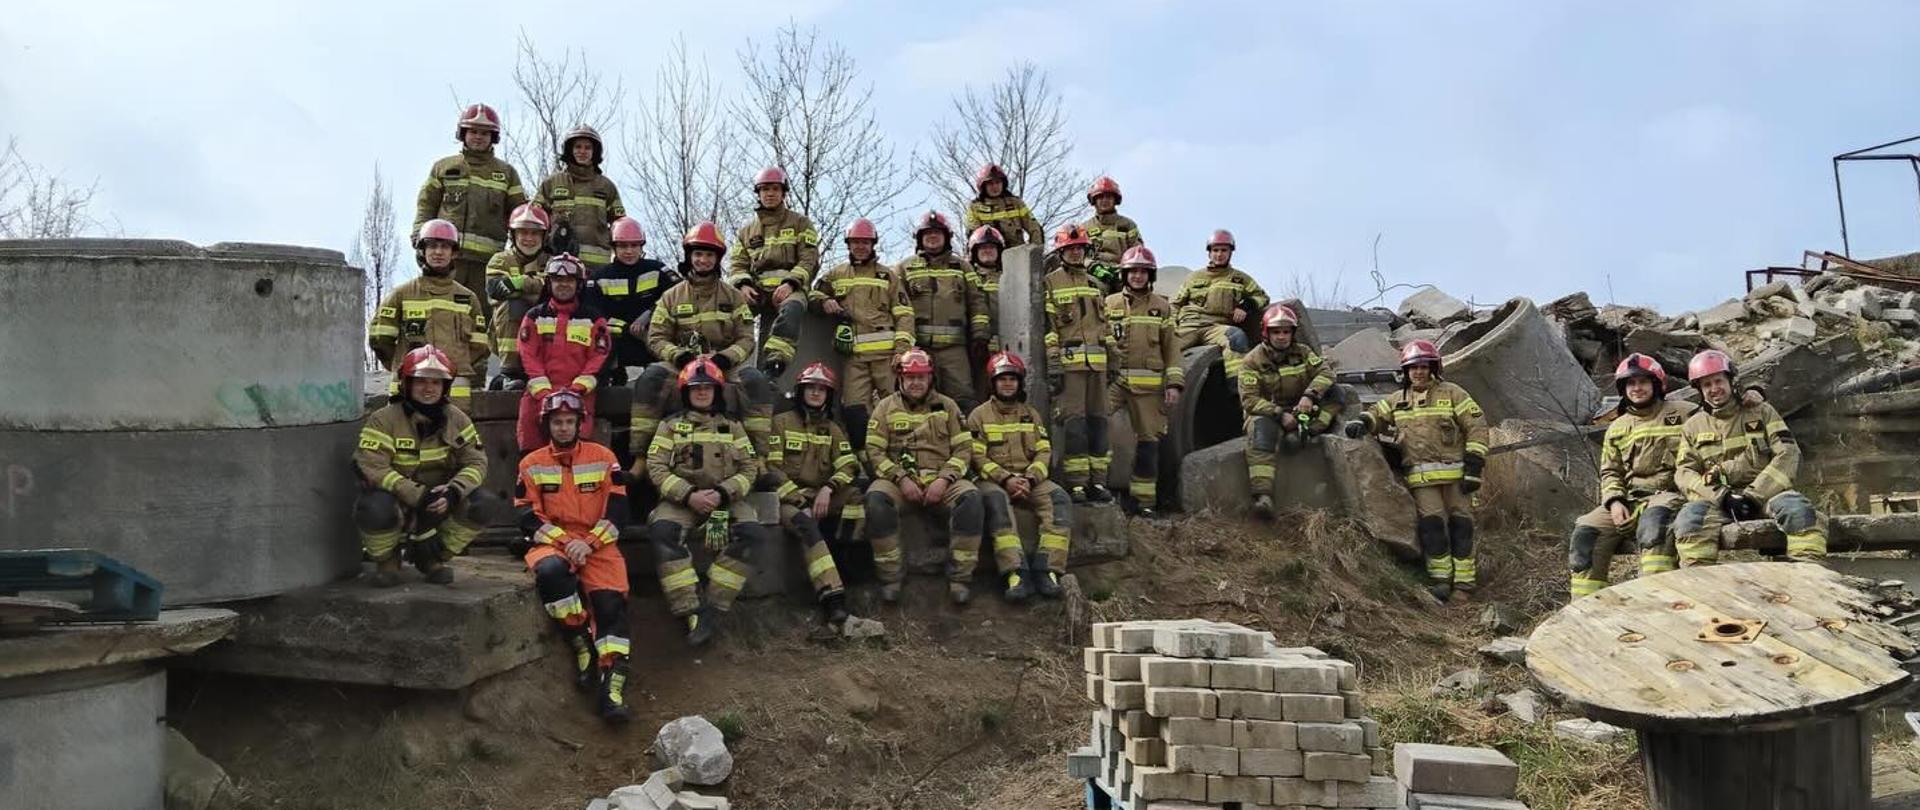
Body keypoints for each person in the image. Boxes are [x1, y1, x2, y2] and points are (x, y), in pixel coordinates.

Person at [515, 391, 632, 721]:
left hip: (599, 542)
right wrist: (567, 543)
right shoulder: (531, 464)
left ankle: (613, 688)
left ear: (581, 423)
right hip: (554, 541)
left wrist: (591, 543)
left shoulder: (604, 457)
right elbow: (526, 517)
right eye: (557, 422)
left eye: (569, 421)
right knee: (551, 572)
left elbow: (620, 510)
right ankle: (580, 641)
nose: (564, 428)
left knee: (611, 606)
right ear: (547, 424)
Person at [1344, 340, 1488, 603]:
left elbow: (1477, 427)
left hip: (1457, 478)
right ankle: (1441, 581)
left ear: (1433, 368)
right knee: (1433, 528)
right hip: (1422, 481)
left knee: (1462, 526)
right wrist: (1362, 422)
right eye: (1413, 368)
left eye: (1423, 367)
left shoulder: (1453, 393)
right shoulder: (1398, 400)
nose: (1419, 372)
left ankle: (1465, 585)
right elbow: (1377, 414)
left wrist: (1474, 468)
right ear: (1406, 372)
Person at [643, 357, 770, 646]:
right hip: (681, 500)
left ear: (717, 391)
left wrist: (723, 493)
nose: (702, 392)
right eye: (696, 387)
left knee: (752, 534)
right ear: (686, 391)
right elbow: (657, 468)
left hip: (726, 498)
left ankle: (711, 607)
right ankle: (690, 609)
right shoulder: (669, 427)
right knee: (663, 532)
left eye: (708, 387)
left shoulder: (733, 427)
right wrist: (689, 495)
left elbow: (749, 468)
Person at [353, 345, 493, 587]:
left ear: (445, 387)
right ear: (407, 384)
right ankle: (388, 561)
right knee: (373, 507)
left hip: (440, 500)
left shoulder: (457, 419)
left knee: (483, 504)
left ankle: (432, 558)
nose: (429, 389)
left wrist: (453, 492)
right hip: (398, 499)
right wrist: (417, 496)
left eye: (436, 383)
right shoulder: (384, 419)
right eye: (421, 382)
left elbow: (476, 461)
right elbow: (372, 466)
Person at [632, 222, 774, 461]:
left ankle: (759, 460)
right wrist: (679, 356)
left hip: (723, 364)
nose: (703, 260)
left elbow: (747, 336)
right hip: (682, 363)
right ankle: (639, 459)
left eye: (709, 255)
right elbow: (656, 337)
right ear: (689, 256)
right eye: (698, 254)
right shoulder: (671, 297)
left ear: (717, 260)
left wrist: (723, 358)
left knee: (756, 381)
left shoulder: (734, 297)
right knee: (651, 378)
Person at [1672, 350, 1826, 567]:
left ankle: (1810, 575)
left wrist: (1754, 496)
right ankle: (1700, 584)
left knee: (1799, 511)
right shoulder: (1692, 426)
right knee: (1690, 521)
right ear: (1699, 390)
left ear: (1731, 381)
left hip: (1766, 495)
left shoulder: (1762, 411)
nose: (1714, 389)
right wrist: (1722, 497)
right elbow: (1684, 473)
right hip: (1718, 501)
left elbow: (1788, 454)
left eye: (1718, 381)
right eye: (1707, 385)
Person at [863, 348, 986, 605]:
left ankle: (959, 578)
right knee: (876, 499)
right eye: (911, 377)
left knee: (972, 499)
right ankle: (891, 577)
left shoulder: (948, 406)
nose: (916, 382)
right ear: (900, 378)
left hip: (943, 480)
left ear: (931, 378)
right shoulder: (884, 408)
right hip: (900, 481)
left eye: (922, 377)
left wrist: (944, 480)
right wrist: (900, 479)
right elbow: (874, 452)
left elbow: (964, 449)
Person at [967, 352, 1072, 603]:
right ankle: (1016, 573)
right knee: (997, 504)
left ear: (1020, 382)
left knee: (1059, 499)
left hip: (1030, 479)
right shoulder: (978, 416)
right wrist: (1005, 480)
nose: (1007, 383)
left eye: (1012, 379)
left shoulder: (1032, 414)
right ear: (992, 382)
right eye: (1002, 378)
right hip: (993, 482)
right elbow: (976, 457)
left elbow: (1044, 450)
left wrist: (1031, 479)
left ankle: (1047, 569)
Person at [761, 363, 858, 625]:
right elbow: (771, 469)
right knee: (805, 524)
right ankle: (833, 599)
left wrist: (829, 488)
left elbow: (849, 465)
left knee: (857, 501)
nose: (816, 393)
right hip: (786, 499)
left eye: (822, 389)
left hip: (821, 494)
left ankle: (847, 563)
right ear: (800, 391)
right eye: (811, 388)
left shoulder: (834, 430)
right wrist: (799, 498)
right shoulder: (780, 424)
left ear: (829, 395)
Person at [811, 217, 914, 450]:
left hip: (886, 358)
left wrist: (902, 352)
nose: (860, 246)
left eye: (865, 242)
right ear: (848, 244)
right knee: (855, 408)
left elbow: (904, 314)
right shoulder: (836, 275)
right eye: (855, 242)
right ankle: (864, 456)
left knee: (896, 406)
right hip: (854, 358)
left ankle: (902, 453)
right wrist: (825, 300)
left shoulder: (888, 277)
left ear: (873, 244)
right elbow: (813, 295)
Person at [415, 103, 528, 313]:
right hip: (447, 259)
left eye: (485, 133)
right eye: (473, 131)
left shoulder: (506, 173)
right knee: (441, 311)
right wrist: (419, 237)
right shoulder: (444, 167)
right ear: (463, 133)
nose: (478, 137)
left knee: (480, 316)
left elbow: (520, 216)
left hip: (488, 264)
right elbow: (427, 204)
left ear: (493, 137)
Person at [369, 219, 490, 408]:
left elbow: (480, 345)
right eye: (432, 246)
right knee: (403, 432)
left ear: (454, 253)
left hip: (454, 384)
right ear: (422, 251)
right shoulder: (401, 294)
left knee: (454, 434)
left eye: (445, 246)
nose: (438, 252)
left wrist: (454, 366)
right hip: (408, 380)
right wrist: (401, 365)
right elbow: (380, 338)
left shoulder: (468, 298)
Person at [1239, 304, 1341, 520]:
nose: (1282, 337)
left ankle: (1307, 433)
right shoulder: (1252, 361)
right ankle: (1263, 496)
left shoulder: (1303, 352)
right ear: (1267, 333)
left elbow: (1325, 373)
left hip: (1301, 406)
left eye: (1286, 332)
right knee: (1260, 432)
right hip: (1269, 413)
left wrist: (1310, 395)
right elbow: (1249, 400)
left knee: (1336, 394)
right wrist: (1279, 414)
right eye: (1276, 332)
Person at [1104, 245, 1183, 517]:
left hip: (1149, 388)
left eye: (1143, 272)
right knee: (1096, 427)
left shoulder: (1161, 307)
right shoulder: (1110, 303)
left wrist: (1174, 384)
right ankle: (1103, 490)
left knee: (1149, 442)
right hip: (1114, 382)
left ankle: (1145, 504)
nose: (1137, 276)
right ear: (1124, 274)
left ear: (1150, 275)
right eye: (1132, 271)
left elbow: (1172, 348)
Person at [1044, 225, 1116, 503]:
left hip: (1098, 367)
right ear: (1061, 252)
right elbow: (1049, 328)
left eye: (1079, 249)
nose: (1075, 253)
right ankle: (1076, 484)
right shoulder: (1050, 283)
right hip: (1070, 366)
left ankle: (1098, 482)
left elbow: (1105, 327)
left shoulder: (1095, 286)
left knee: (1099, 424)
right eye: (1070, 249)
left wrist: (1114, 362)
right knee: (1074, 425)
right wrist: (1053, 363)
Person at [514, 254, 612, 451]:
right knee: (531, 446)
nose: (563, 285)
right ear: (549, 283)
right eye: (558, 280)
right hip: (539, 395)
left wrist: (577, 389)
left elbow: (599, 356)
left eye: (569, 280)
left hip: (580, 393)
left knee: (578, 449)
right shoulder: (535, 316)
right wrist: (544, 393)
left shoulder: (594, 319)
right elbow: (527, 355)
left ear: (579, 284)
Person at [727, 166, 817, 376]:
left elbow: (809, 259)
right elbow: (738, 263)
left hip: (789, 288)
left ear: (783, 193)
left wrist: (791, 283)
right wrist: (743, 285)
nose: (770, 194)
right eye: (764, 189)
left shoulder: (801, 223)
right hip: (756, 290)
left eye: (775, 189)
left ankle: (774, 363)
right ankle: (722, 361)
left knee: (792, 309)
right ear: (758, 193)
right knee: (731, 314)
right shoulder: (747, 231)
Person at [898, 211, 990, 412]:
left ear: (947, 237)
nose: (932, 236)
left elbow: (977, 302)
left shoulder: (963, 267)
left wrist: (980, 336)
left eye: (938, 233)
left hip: (954, 350)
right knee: (918, 400)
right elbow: (894, 303)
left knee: (963, 399)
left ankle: (967, 442)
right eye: (928, 233)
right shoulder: (904, 268)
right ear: (920, 238)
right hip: (919, 349)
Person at [587, 217, 679, 387]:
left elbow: (679, 295)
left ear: (641, 246)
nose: (629, 251)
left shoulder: (657, 270)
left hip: (653, 340)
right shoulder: (600, 278)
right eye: (623, 246)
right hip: (615, 345)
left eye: (634, 245)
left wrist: (649, 316)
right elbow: (594, 315)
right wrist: (626, 328)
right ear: (613, 247)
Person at [1172, 229, 1269, 383]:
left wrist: (1246, 306)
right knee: (1165, 347)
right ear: (1209, 253)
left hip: (1217, 328)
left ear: (1230, 253)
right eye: (1215, 250)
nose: (1219, 254)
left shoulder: (1240, 278)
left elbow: (1262, 296)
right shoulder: (1193, 278)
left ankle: (1237, 391)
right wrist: (1171, 325)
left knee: (1236, 338)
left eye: (1224, 250)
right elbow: (1175, 305)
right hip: (1189, 325)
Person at [535, 125, 625, 269]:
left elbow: (621, 228)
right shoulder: (551, 183)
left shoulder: (606, 187)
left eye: (587, 148)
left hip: (597, 268)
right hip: (557, 264)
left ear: (595, 152)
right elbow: (535, 222)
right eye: (578, 147)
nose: (582, 151)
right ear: (570, 150)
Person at [486, 202, 552, 390]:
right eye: (523, 232)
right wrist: (536, 286)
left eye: (534, 233)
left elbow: (556, 290)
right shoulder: (500, 260)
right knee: (512, 305)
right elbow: (496, 290)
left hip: (545, 327)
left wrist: (518, 283)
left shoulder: (552, 261)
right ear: (513, 235)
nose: (529, 238)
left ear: (544, 236)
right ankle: (509, 373)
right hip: (506, 332)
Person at [966, 225, 1008, 404]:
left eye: (992, 247)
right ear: (974, 252)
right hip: (976, 347)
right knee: (979, 395)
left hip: (1006, 346)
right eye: (983, 248)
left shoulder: (1009, 276)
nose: (988, 251)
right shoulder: (968, 276)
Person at [1080, 176, 1142, 293]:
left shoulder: (1128, 225)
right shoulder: (1085, 228)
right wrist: (1094, 268)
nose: (1105, 200)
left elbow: (1137, 252)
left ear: (1115, 200)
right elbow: (1080, 256)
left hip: (1123, 273)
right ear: (1094, 200)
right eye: (1100, 197)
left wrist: (1123, 270)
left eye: (1109, 197)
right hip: (1094, 274)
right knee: (1091, 292)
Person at [963, 164, 1043, 249]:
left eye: (998, 182)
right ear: (983, 186)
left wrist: (1034, 251)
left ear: (1003, 183)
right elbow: (973, 236)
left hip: (1017, 255)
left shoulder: (1016, 203)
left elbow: (1034, 228)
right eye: (990, 183)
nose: (995, 187)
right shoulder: (975, 207)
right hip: (990, 256)